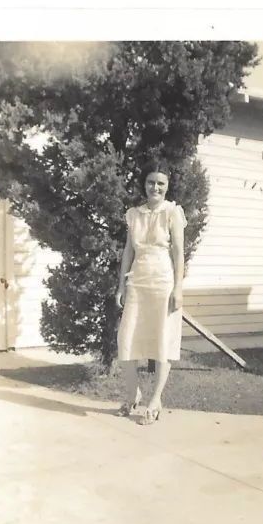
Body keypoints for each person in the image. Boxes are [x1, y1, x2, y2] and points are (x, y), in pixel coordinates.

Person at [115, 161, 187, 425]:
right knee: (126, 338)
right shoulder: (134, 214)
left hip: (163, 281)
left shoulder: (173, 213)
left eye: (161, 183)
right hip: (138, 280)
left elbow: (178, 252)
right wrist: (121, 285)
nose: (155, 187)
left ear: (167, 187)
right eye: (150, 182)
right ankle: (133, 393)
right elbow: (128, 251)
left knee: (162, 341)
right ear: (143, 185)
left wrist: (178, 287)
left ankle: (155, 399)